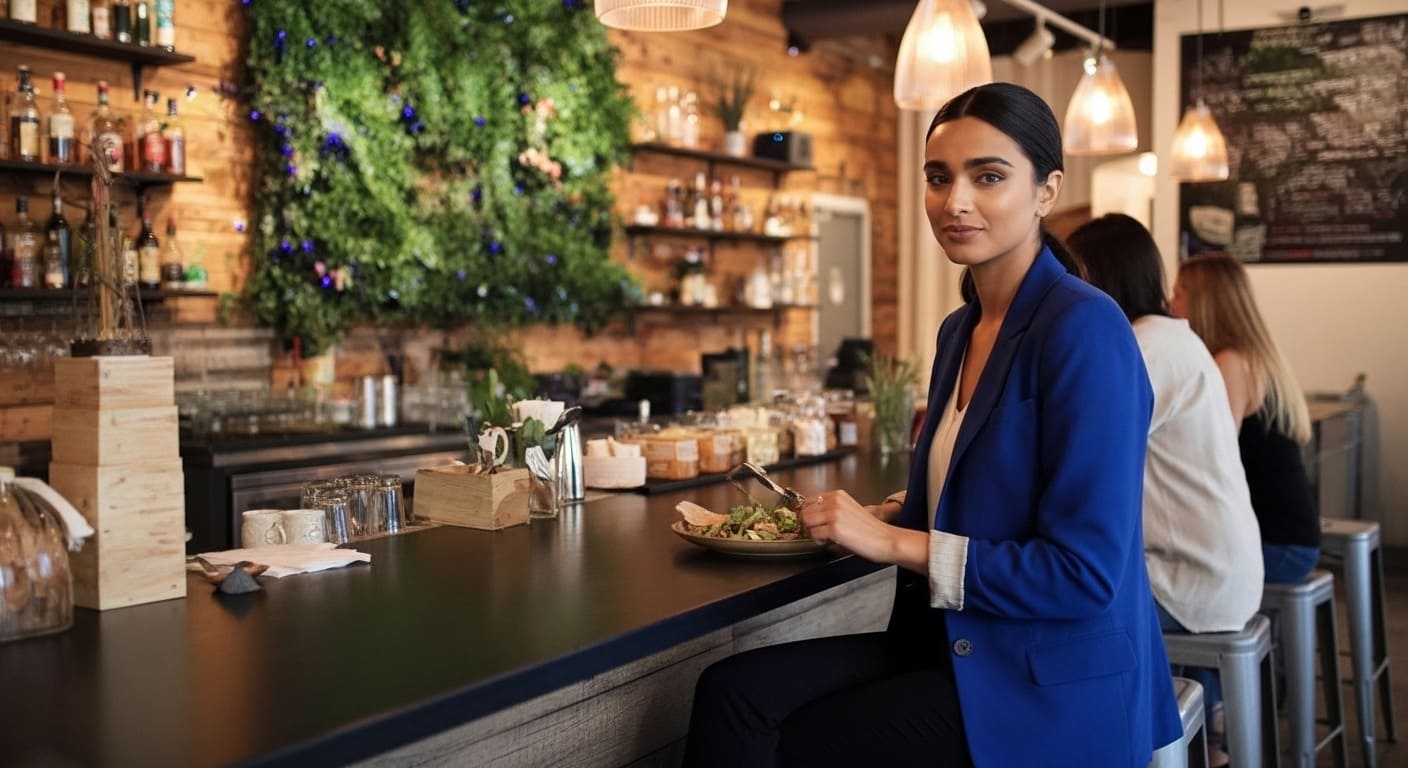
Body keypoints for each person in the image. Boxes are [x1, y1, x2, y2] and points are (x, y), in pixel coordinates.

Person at [682, 83, 1180, 767]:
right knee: (729, 693)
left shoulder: (1085, 328)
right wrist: (870, 515)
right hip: (953, 642)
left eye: (989, 176)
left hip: (1047, 680)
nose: (956, 202)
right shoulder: (960, 329)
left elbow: (1082, 574)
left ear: (1047, 190)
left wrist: (889, 540)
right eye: (939, 178)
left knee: (802, 743)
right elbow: (956, 506)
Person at [1068, 214, 1264, 767]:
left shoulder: (1144, 346)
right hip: (1220, 566)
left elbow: (1081, 444)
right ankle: (1197, 731)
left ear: (1100, 276)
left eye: (1075, 273)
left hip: (1197, 578)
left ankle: (1134, 743)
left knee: (1062, 603)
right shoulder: (1169, 338)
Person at [1170, 253, 1319, 583]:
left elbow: (1216, 460)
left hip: (1277, 544)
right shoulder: (1254, 356)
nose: (1169, 302)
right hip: (1292, 537)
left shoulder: (1230, 363)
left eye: (1179, 292)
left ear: (1206, 302)